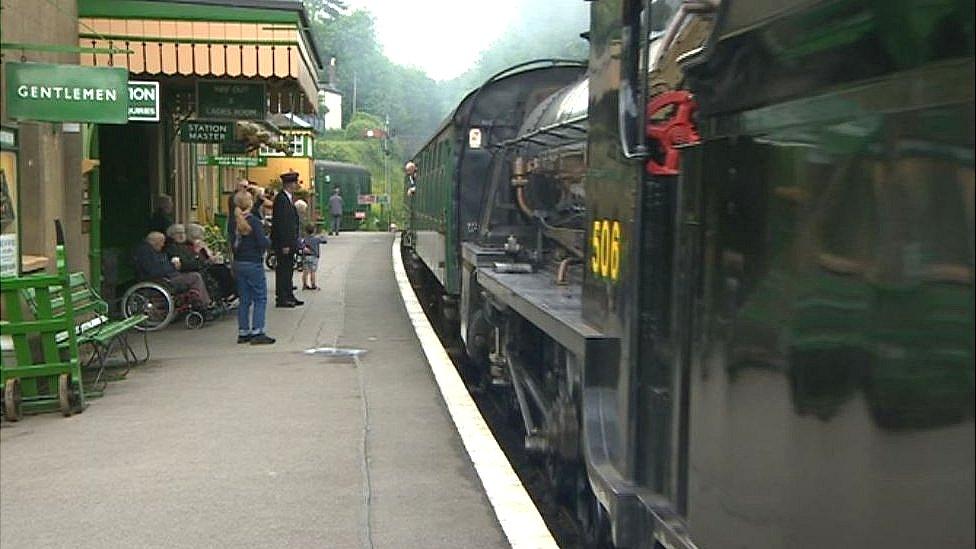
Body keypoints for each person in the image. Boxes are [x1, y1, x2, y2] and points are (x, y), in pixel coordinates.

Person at [228, 190, 275, 345]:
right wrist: (270, 241)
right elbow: (262, 242)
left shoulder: (233, 221)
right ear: (249, 203)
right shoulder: (253, 221)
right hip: (253, 262)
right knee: (260, 298)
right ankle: (258, 331)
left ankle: (243, 332)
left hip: (238, 263)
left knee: (244, 299)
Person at [133, 231, 211, 307]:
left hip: (168, 277)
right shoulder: (146, 253)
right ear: (155, 242)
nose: (163, 245)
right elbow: (155, 270)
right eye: (161, 242)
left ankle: (200, 302)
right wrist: (174, 267)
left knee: (196, 275)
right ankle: (204, 304)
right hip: (163, 280)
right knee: (195, 277)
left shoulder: (152, 251)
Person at [272, 171, 303, 308]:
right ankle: (282, 297)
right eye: (296, 183)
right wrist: (285, 244)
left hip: (290, 242)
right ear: (290, 184)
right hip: (284, 243)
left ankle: (289, 294)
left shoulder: (287, 198)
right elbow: (282, 223)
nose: (297, 185)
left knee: (289, 269)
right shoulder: (282, 199)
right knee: (283, 269)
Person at [300, 224, 323, 290]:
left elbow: (301, 245)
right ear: (314, 231)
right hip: (314, 256)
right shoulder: (316, 239)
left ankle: (304, 284)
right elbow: (324, 240)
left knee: (305, 271)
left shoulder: (304, 239)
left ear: (305, 231)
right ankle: (313, 284)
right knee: (313, 271)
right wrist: (321, 235)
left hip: (306, 256)